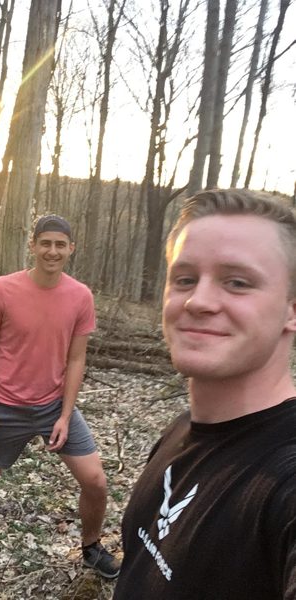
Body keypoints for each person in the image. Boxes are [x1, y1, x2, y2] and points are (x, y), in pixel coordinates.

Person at [114, 189, 296, 600]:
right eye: (185, 279)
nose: (198, 301)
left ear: (292, 310)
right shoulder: (180, 431)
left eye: (237, 282)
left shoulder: (285, 480)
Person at [0, 214, 120, 588]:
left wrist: (65, 415)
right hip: (3, 405)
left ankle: (91, 547)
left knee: (95, 481)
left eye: (60, 244)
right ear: (33, 245)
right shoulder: (1, 290)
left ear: (71, 249)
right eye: (45, 243)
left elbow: (76, 359)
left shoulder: (81, 296)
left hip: (53, 406)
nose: (52, 251)